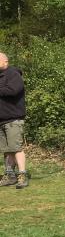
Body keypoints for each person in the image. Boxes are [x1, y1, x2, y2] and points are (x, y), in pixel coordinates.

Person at [0, 51, 29, 189]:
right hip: (2, 119)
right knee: (7, 149)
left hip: (13, 118)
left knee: (16, 148)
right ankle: (9, 175)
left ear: (5, 61)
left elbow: (13, 90)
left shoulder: (13, 74)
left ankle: (22, 175)